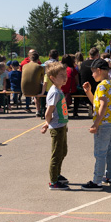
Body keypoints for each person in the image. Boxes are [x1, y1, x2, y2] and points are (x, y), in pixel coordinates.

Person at [81, 58, 111, 191]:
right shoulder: (109, 84)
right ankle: (109, 176)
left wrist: (96, 124)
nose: (92, 75)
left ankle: (97, 181)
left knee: (100, 153)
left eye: (93, 72)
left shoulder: (102, 86)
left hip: (103, 124)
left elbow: (103, 105)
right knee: (109, 151)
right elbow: (96, 103)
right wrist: (88, 92)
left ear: (99, 71)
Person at [40, 61, 71, 190]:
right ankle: (53, 181)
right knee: (56, 154)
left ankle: (57, 174)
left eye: (65, 74)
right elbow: (49, 111)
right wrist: (48, 123)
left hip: (61, 125)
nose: (65, 77)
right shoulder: (55, 92)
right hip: (57, 127)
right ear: (52, 78)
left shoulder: (59, 90)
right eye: (61, 75)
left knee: (63, 151)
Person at [20, 50, 45, 115]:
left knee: (35, 89)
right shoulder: (39, 67)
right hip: (35, 90)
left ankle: (37, 109)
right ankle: (40, 109)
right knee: (42, 89)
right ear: (38, 59)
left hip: (24, 89)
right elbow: (43, 79)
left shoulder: (24, 66)